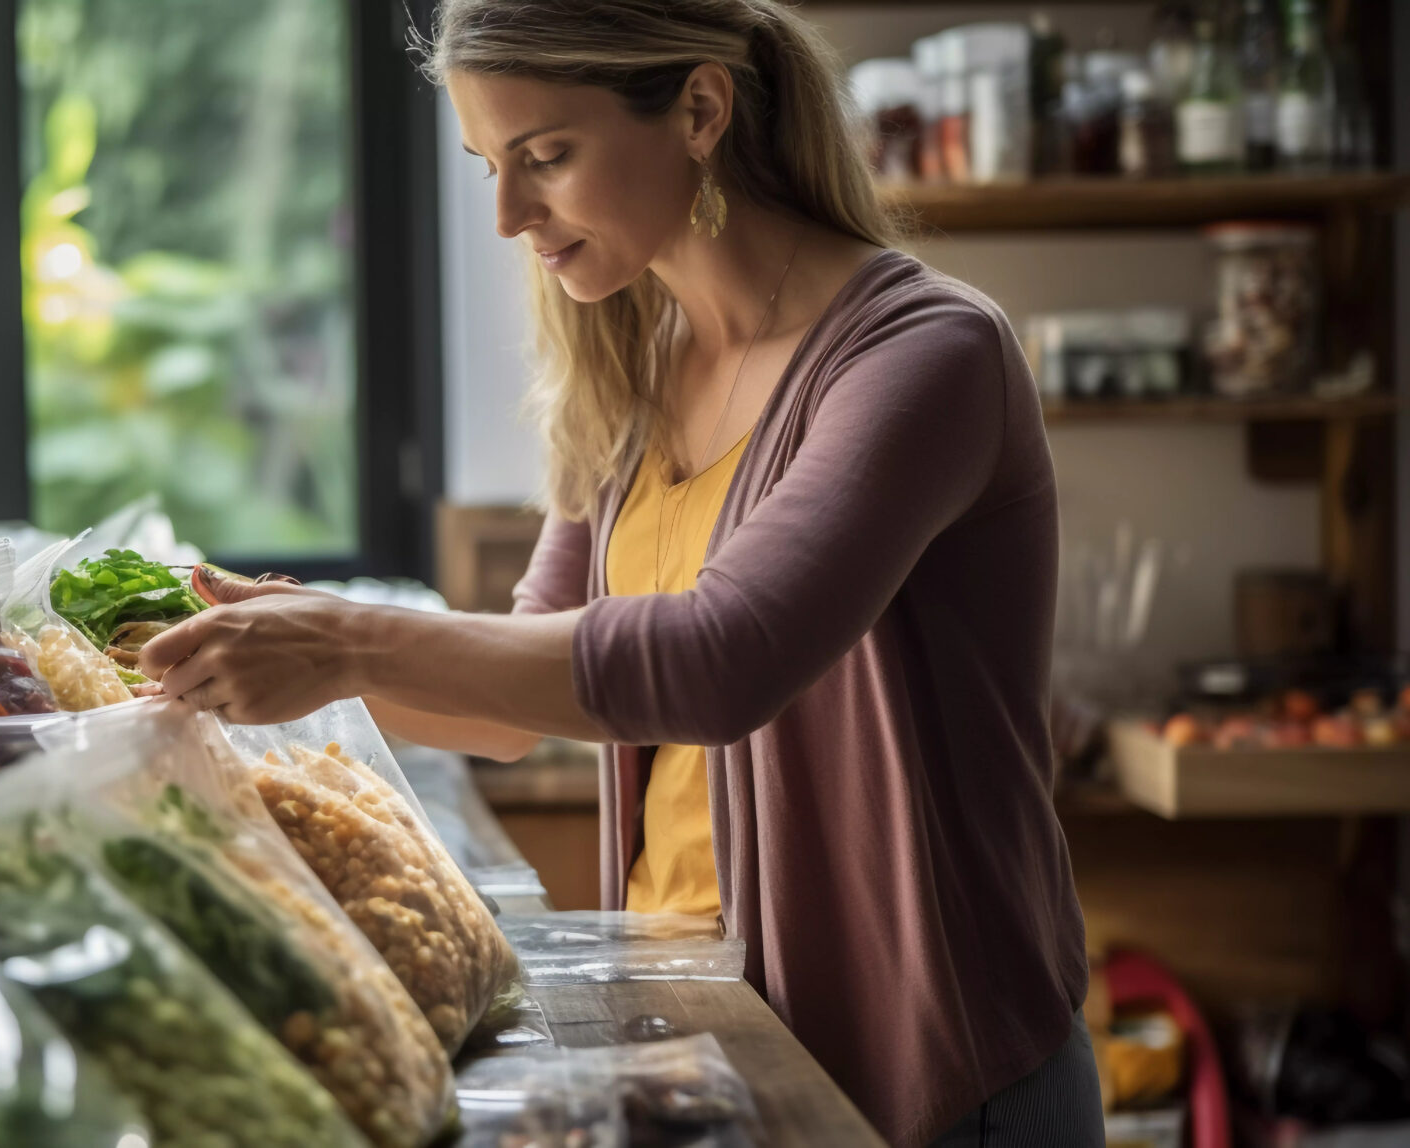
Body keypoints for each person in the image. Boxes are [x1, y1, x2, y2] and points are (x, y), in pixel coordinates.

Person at [141, 1, 1099, 1144]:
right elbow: (506, 705)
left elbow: (718, 657)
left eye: (543, 157)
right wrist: (229, 649)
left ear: (698, 109)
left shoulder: (924, 354)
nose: (506, 214)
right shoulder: (633, 372)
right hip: (714, 1020)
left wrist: (342, 640)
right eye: (489, 165)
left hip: (936, 1074)